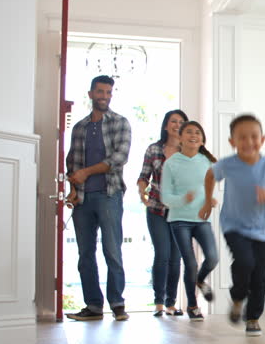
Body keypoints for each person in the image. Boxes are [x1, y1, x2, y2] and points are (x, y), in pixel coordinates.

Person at [202, 114, 265, 337]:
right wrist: (208, 200)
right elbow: (210, 176)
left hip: (261, 230)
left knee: (260, 279)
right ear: (232, 142)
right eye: (242, 137)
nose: (248, 142)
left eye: (254, 137)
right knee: (245, 261)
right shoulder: (228, 164)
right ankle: (238, 298)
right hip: (233, 225)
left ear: (262, 139)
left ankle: (253, 317)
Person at [65, 75, 132, 321]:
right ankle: (93, 306)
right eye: (100, 92)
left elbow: (119, 158)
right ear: (91, 94)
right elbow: (72, 161)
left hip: (109, 194)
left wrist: (87, 172)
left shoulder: (120, 123)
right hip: (82, 199)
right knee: (85, 254)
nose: (104, 96)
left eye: (108, 92)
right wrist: (73, 186)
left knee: (112, 250)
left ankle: (117, 304)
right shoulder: (80, 127)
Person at [160, 121, 219, 322]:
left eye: (197, 133)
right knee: (191, 263)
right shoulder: (171, 163)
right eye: (189, 132)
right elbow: (165, 197)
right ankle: (193, 306)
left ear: (202, 139)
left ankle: (200, 281)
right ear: (181, 137)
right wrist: (182, 199)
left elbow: (210, 189)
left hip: (201, 219)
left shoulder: (207, 162)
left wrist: (211, 200)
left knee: (212, 258)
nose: (193, 135)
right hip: (179, 220)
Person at [138, 109, 188, 317]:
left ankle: (171, 303)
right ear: (166, 125)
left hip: (180, 212)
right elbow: (144, 176)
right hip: (157, 209)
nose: (177, 125)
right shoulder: (154, 149)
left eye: (181, 122)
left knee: (175, 258)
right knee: (162, 255)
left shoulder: (191, 151)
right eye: (173, 121)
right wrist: (142, 192)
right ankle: (158, 302)